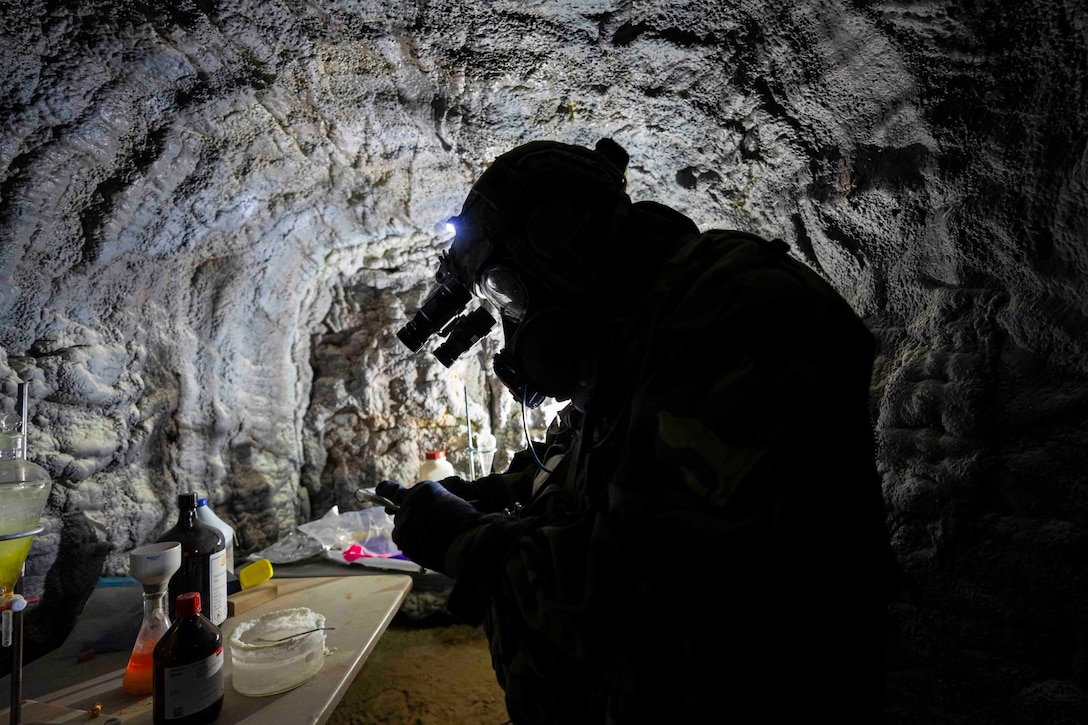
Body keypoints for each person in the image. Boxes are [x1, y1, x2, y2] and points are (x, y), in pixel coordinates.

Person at [378, 138, 900, 723]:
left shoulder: (733, 310)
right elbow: (580, 457)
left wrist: (467, 540)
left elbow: (665, 602)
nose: (515, 325)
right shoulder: (632, 331)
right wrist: (489, 496)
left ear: (562, 243)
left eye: (508, 291)